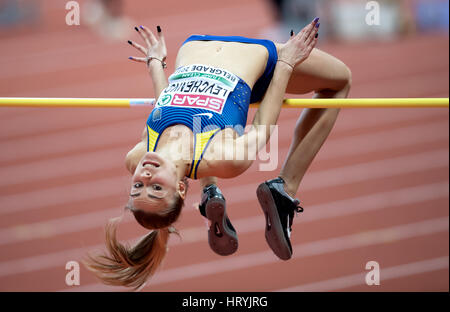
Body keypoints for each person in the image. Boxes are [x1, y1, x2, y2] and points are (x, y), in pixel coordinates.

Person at [83, 18, 351, 290]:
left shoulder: (140, 153)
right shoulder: (225, 158)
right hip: (258, 59)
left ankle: (210, 190)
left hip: (197, 45)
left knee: (188, 146)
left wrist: (155, 64)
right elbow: (261, 128)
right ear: (179, 187)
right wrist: (286, 62)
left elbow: (164, 105)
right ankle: (285, 188)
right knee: (341, 81)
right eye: (156, 188)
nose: (146, 174)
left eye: (138, 185)